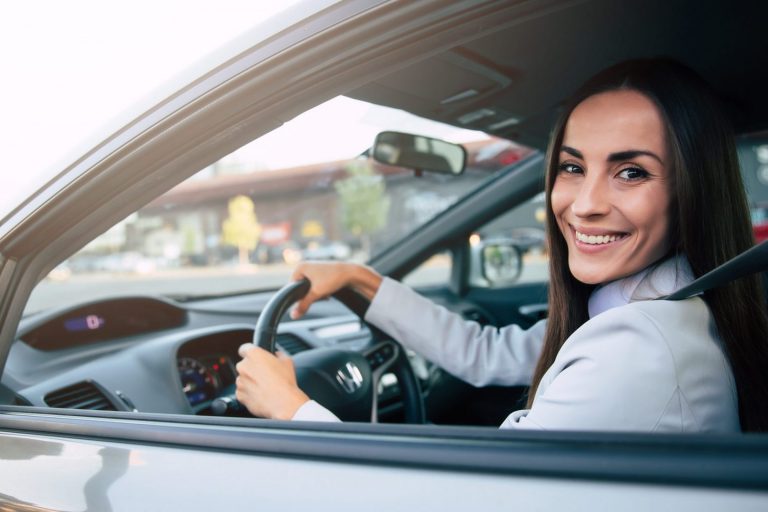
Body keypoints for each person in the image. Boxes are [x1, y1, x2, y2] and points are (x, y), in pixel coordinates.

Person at [235, 59, 768, 432]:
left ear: (692, 189)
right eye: (573, 167)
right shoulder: (654, 306)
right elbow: (486, 353)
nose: (585, 204)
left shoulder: (636, 351)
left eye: (631, 172)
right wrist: (360, 278)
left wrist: (292, 411)